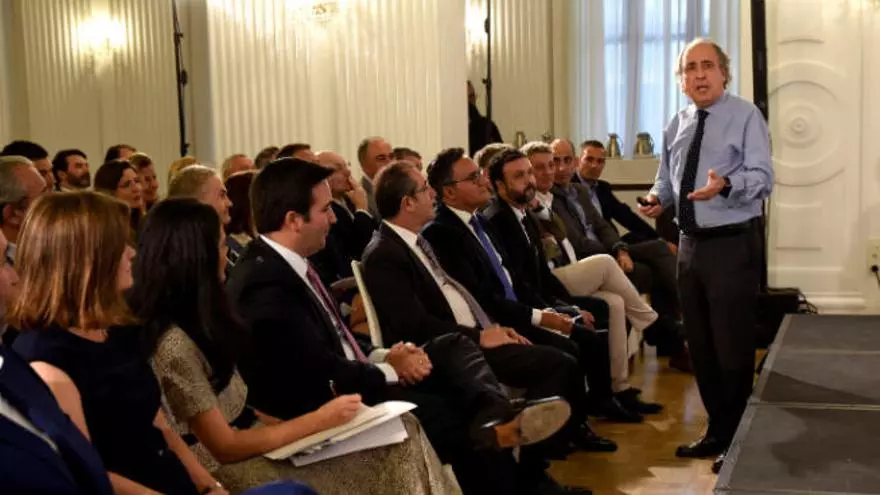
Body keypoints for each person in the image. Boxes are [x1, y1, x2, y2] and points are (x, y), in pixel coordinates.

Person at [227, 158, 571, 495]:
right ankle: (499, 436)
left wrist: (385, 355)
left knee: (453, 347)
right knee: (451, 412)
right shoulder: (265, 283)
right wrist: (390, 368)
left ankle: (496, 418)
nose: (333, 218)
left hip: (353, 372)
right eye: (326, 209)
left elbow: (338, 341)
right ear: (293, 220)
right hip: (325, 404)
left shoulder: (285, 263)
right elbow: (319, 369)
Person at [129, 198, 456, 494]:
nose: (226, 254)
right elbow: (224, 446)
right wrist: (319, 421)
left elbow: (244, 410)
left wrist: (312, 432)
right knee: (394, 449)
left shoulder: (205, 316)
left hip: (260, 439)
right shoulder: (174, 343)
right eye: (220, 246)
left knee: (404, 428)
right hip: (226, 469)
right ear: (195, 260)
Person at [10, 192, 227, 494]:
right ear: (87, 260)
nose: (132, 253)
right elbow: (89, 472)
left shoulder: (116, 329)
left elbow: (159, 425)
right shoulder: (46, 360)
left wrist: (209, 486)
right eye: (120, 246)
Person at [639, 38, 773, 473]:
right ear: (680, 80)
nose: (698, 75)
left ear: (724, 73)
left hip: (732, 244)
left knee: (732, 347)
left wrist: (726, 185)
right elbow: (666, 179)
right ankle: (718, 429)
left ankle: (738, 440)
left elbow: (763, 177)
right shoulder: (676, 122)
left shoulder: (746, 116)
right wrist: (656, 200)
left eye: (707, 66)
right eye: (690, 68)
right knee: (701, 346)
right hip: (689, 246)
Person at [93, 159, 144, 237]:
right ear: (109, 194)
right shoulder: (104, 233)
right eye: (126, 185)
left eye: (137, 181)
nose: (136, 188)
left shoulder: (146, 224)